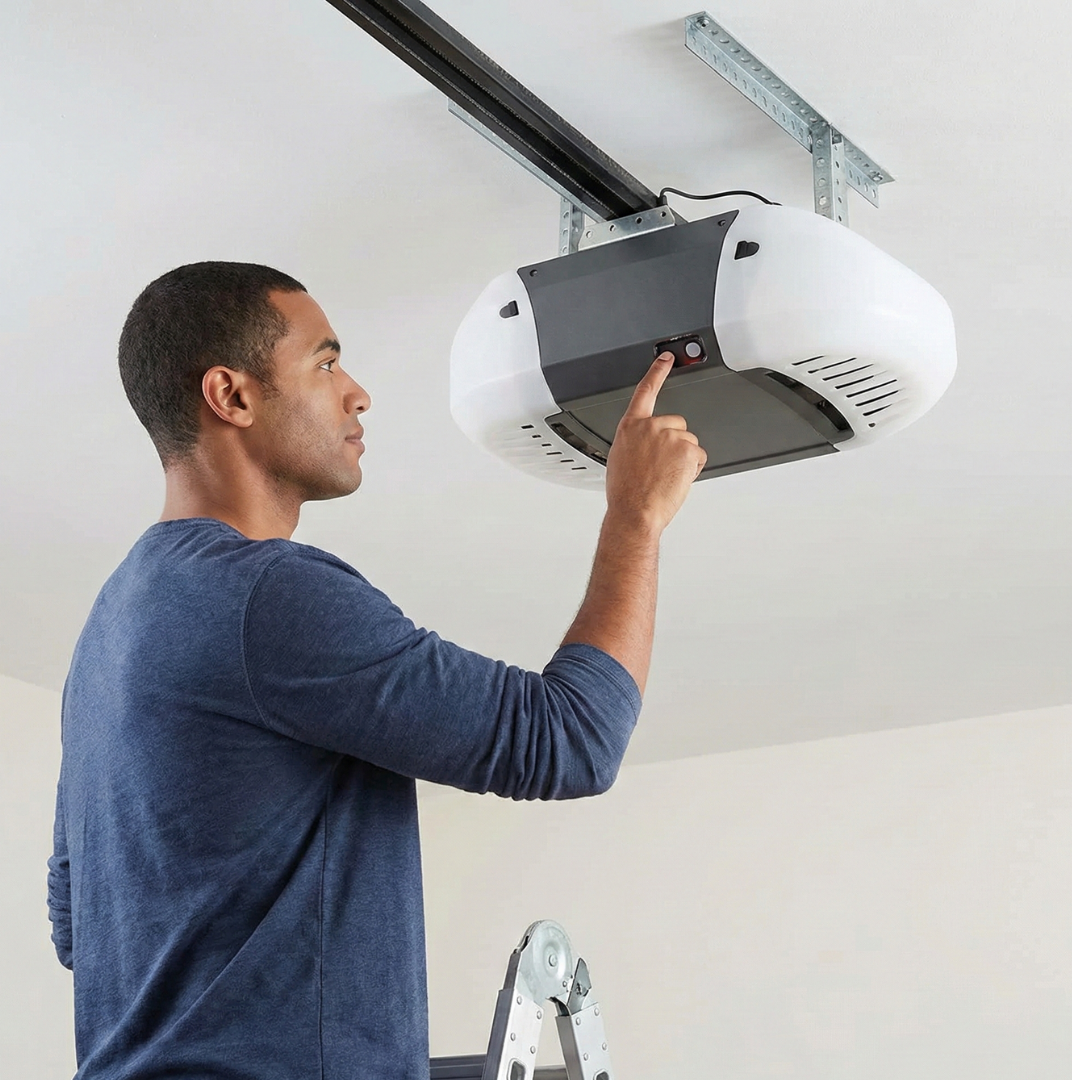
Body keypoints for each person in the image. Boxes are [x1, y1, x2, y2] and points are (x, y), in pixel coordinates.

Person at [47, 261, 707, 1079]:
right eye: (325, 363)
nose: (357, 392)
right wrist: (635, 516)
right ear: (233, 396)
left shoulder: (109, 629)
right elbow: (570, 741)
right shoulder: (265, 594)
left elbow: (80, 925)